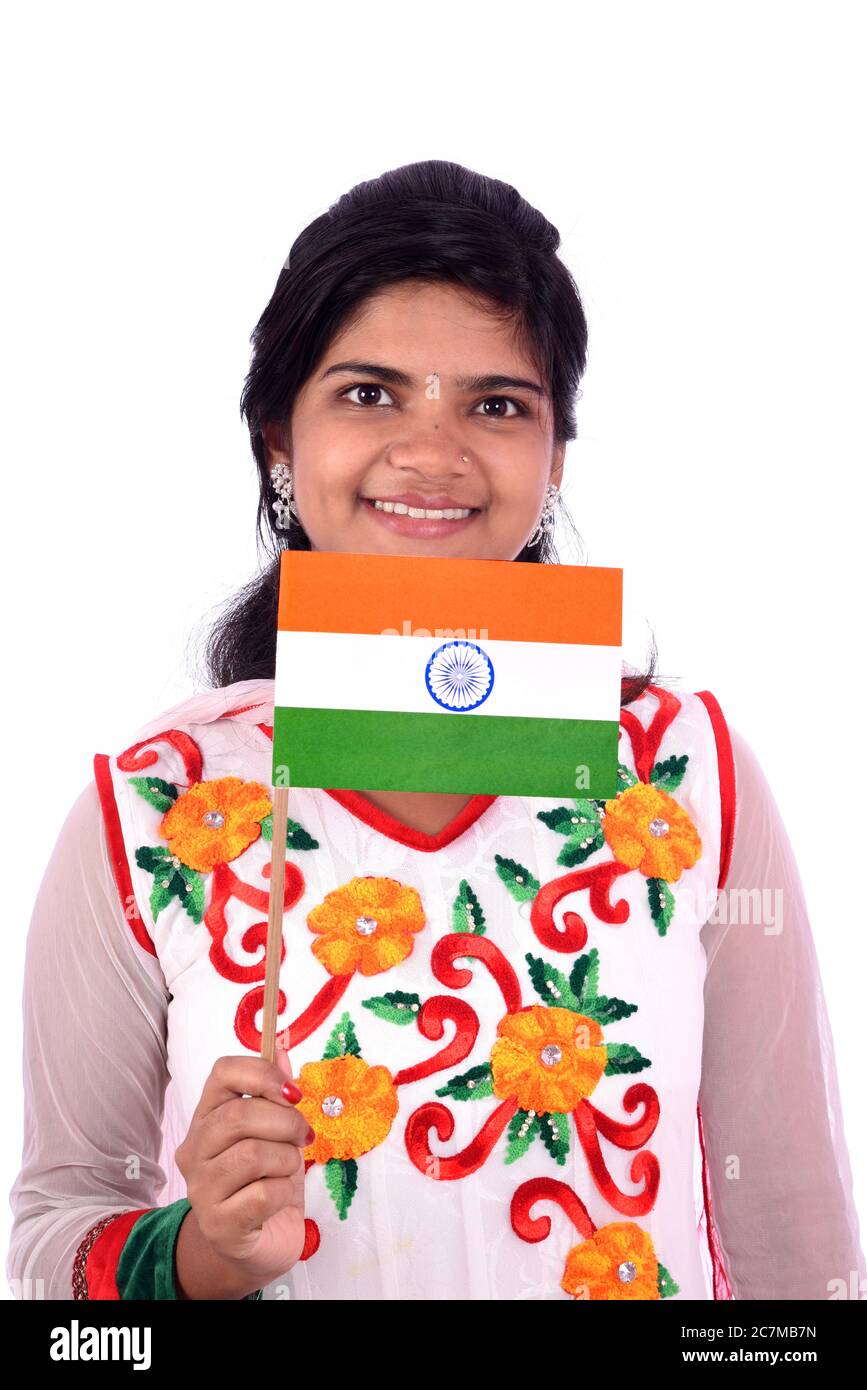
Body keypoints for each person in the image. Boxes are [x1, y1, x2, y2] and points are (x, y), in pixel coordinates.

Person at [7, 160, 865, 1301]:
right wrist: (203, 1252)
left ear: (554, 454)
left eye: (496, 404)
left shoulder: (682, 776)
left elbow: (794, 1242)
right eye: (369, 393)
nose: (432, 453)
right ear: (278, 434)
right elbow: (49, 1251)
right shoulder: (159, 807)